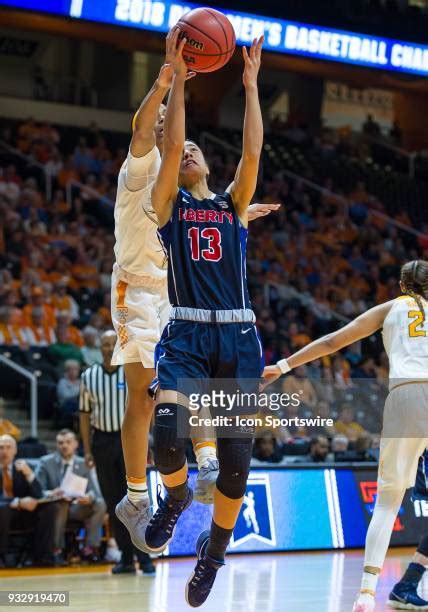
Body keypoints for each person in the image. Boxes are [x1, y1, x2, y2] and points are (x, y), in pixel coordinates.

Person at [113, 32, 279, 537]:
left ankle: (205, 461)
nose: (177, 140)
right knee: (144, 393)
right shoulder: (145, 164)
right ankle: (138, 495)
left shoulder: (206, 195)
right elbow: (148, 130)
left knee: (198, 370)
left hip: (179, 293)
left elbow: (239, 174)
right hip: (139, 287)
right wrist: (170, 82)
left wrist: (234, 217)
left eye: (185, 139)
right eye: (171, 134)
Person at [141, 31, 265, 607]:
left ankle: (212, 555)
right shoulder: (172, 205)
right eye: (183, 149)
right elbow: (170, 146)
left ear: (208, 164)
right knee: (167, 441)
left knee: (237, 467)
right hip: (188, 333)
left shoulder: (232, 205)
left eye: (195, 150)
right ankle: (173, 498)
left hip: (237, 337)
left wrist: (250, 85)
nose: (188, 152)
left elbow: (252, 155)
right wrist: (178, 77)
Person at [263, 259, 428, 612]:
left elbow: (332, 341)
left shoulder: (390, 308)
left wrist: (282, 366)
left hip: (403, 397)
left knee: (388, 502)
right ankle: (408, 583)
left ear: (402, 285)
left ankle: (366, 593)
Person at [79, 330, 155, 575]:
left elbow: (145, 408)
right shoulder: (88, 376)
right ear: (98, 348)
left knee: (136, 499)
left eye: (113, 343)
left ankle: (145, 557)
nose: (108, 347)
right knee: (113, 502)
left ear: (119, 345)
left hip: (129, 440)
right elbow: (84, 415)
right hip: (102, 442)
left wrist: (149, 444)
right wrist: (88, 449)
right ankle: (125, 557)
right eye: (104, 344)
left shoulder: (130, 370)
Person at [35, 429, 106, 565]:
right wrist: (51, 493)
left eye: (68, 442)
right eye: (60, 443)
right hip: (55, 508)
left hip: (77, 507)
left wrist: (88, 497)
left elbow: (93, 491)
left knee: (100, 503)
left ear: (76, 444)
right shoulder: (45, 462)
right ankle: (57, 550)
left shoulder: (84, 463)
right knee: (60, 504)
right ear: (57, 445)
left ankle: (89, 548)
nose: (64, 445)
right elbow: (38, 490)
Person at [0, 434, 55, 567]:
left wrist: (29, 474)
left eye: (8, 447)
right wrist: (18, 502)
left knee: (48, 508)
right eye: (1, 448)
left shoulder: (23, 468)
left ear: (15, 451)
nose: (5, 451)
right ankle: (1, 556)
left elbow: (39, 494)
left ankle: (42, 556)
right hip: (3, 513)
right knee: (3, 509)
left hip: (22, 515)